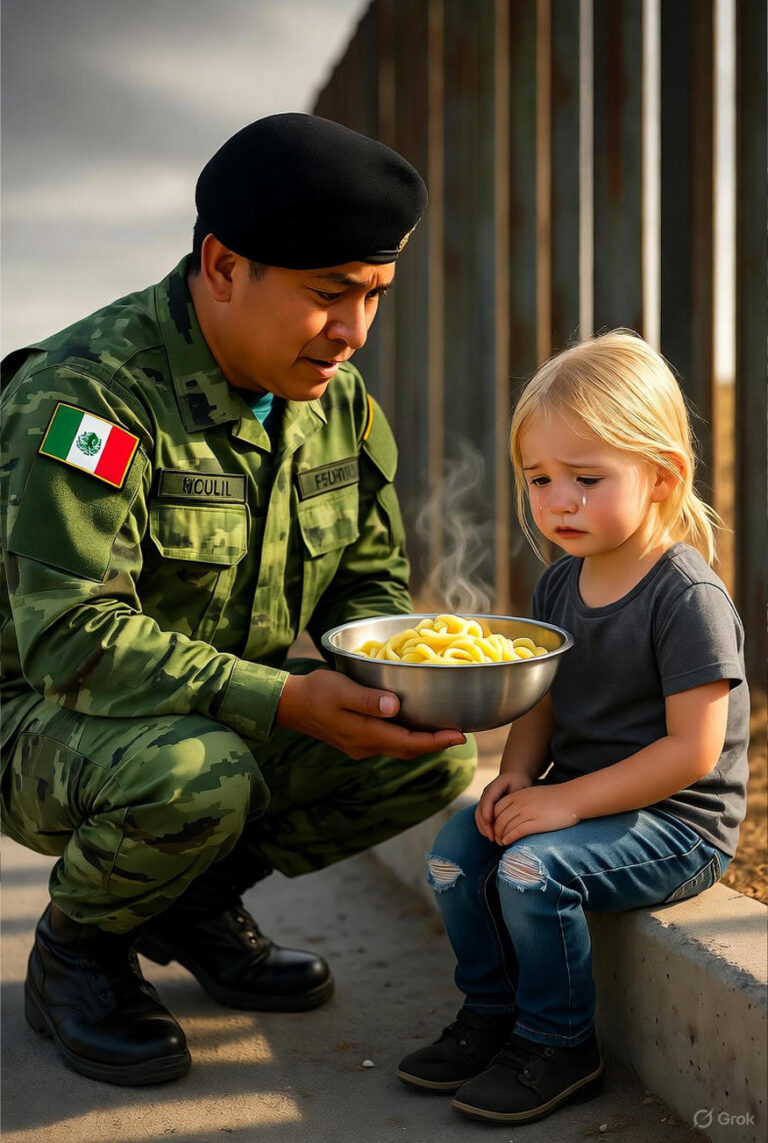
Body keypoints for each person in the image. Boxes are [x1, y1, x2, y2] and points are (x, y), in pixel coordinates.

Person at [0, 112, 476, 1086]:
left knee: (431, 754)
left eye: (375, 298)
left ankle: (188, 899)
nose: (353, 331)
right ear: (222, 265)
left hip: (210, 713)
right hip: (44, 719)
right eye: (328, 295)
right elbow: (73, 641)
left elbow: (366, 584)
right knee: (196, 772)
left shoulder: (331, 399)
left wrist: (402, 673)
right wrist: (288, 700)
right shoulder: (92, 400)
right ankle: (78, 952)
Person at [396, 330, 749, 1125]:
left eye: (587, 479)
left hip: (676, 821)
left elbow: (693, 751)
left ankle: (560, 1041)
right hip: (586, 804)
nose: (558, 501)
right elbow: (545, 702)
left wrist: (566, 804)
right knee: (456, 855)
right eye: (540, 479)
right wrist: (518, 776)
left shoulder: (684, 595)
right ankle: (493, 1012)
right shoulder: (561, 581)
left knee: (530, 871)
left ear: (663, 476)